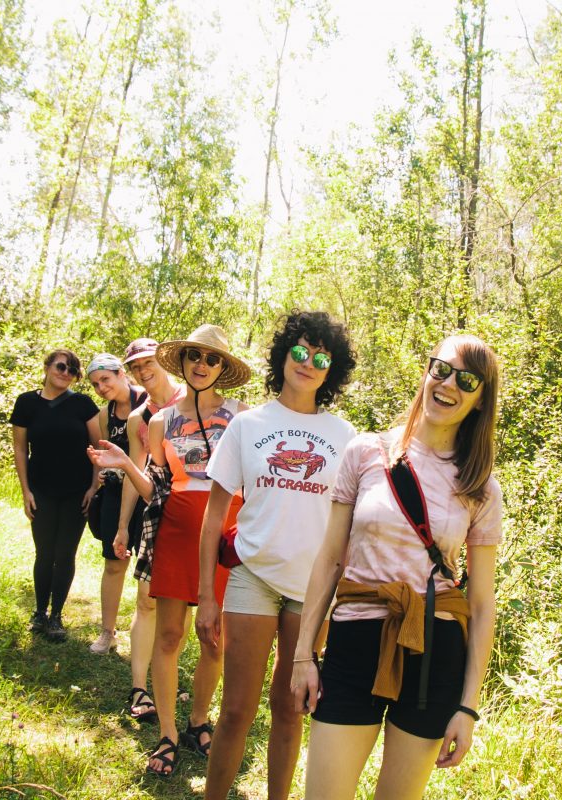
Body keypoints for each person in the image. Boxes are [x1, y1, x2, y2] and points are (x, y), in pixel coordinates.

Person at [290, 334, 503, 800]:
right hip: (355, 641)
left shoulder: (481, 485)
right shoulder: (366, 452)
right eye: (441, 369)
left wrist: (468, 707)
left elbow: (482, 604)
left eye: (466, 380)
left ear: (481, 398)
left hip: (434, 650)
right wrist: (304, 653)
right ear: (427, 372)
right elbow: (329, 560)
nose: (448, 384)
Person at [195, 311, 357, 800]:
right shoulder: (247, 424)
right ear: (284, 354)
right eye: (301, 352)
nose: (309, 363)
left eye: (322, 357)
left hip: (312, 590)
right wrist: (206, 595)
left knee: (289, 711)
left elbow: (349, 525)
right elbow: (214, 515)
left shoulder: (345, 437)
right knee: (237, 710)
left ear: (332, 370)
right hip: (253, 576)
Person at [89, 324, 250, 778]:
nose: (202, 365)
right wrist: (124, 463)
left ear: (223, 367)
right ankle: (167, 733)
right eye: (194, 357)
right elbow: (155, 489)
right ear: (182, 362)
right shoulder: (157, 422)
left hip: (226, 528)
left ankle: (199, 719)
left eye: (212, 359)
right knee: (169, 635)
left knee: (214, 638)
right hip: (177, 527)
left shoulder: (242, 416)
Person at [112, 338, 184, 718]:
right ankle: (139, 689)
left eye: (148, 362)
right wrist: (124, 526)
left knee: (183, 608)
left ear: (164, 361)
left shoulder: (194, 400)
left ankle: (170, 684)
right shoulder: (138, 418)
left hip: (195, 513)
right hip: (156, 513)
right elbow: (133, 473)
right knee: (146, 600)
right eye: (136, 366)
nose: (143, 370)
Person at [10, 348, 100, 642]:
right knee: (44, 552)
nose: (66, 373)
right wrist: (26, 491)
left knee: (65, 553)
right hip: (41, 490)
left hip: (77, 492)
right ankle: (39, 612)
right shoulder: (26, 403)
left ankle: (56, 616)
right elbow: (21, 449)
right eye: (61, 366)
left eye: (73, 370)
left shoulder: (84, 405)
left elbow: (99, 449)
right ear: (47, 367)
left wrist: (94, 486)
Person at [85, 353, 149, 655]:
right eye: (96, 384)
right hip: (114, 492)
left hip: (147, 493)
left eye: (105, 379)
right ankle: (107, 632)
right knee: (114, 562)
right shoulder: (104, 414)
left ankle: (147, 638)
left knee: (148, 571)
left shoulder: (148, 402)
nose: (101, 387)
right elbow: (107, 452)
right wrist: (99, 479)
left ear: (121, 374)